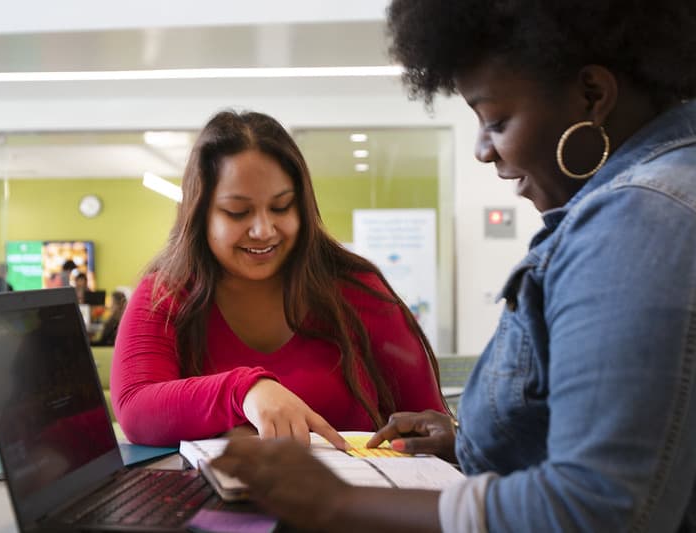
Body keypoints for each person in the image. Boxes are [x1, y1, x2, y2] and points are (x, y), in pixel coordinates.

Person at [212, 1, 696, 531]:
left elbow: (597, 511)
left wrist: (335, 502)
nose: (483, 151)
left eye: (497, 121)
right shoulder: (651, 198)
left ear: (593, 95)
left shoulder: (641, 219)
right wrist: (465, 440)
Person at [113, 110, 446, 449]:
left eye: (282, 207)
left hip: (356, 497)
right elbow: (136, 409)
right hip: (215, 499)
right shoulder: (164, 294)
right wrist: (244, 391)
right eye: (237, 212)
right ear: (200, 215)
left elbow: (430, 422)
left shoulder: (355, 288)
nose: (263, 230)